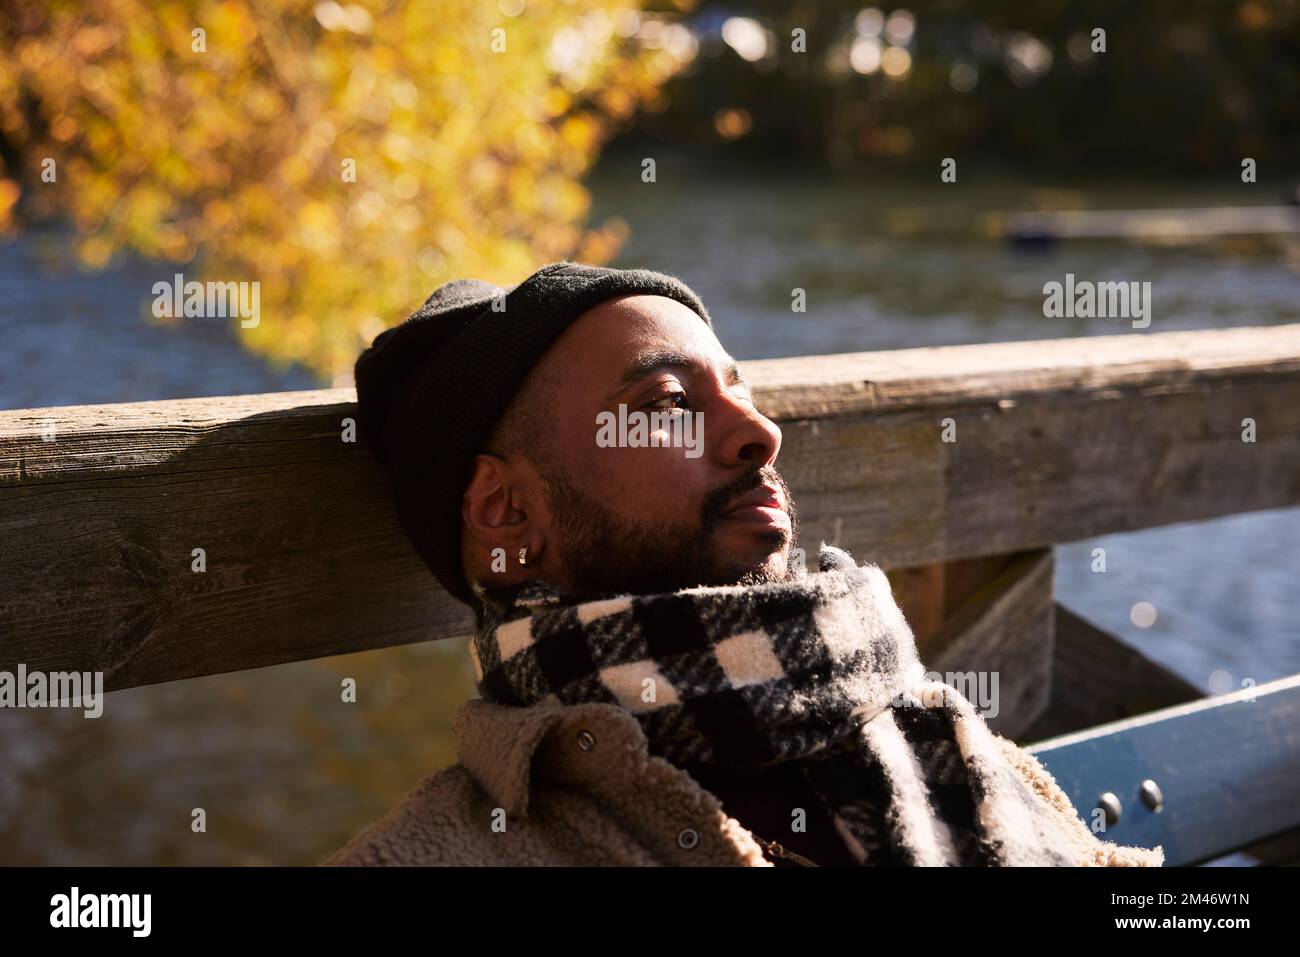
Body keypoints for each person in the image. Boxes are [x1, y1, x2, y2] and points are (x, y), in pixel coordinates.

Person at [322, 261, 1162, 867]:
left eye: (742, 391)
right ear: (508, 512)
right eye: (668, 405)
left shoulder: (933, 734)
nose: (761, 433)